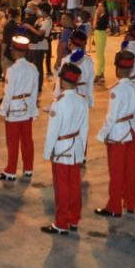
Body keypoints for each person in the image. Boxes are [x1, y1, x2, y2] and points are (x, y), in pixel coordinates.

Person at [42, 59, 89, 235]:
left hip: (61, 149)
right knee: (75, 186)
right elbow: (84, 128)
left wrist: (48, 153)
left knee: (61, 187)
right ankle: (74, 218)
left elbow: (52, 131)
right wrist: (81, 150)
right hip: (75, 148)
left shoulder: (59, 103)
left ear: (61, 80)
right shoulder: (81, 101)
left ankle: (61, 223)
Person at [95, 45, 135, 216]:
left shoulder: (117, 90)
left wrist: (102, 134)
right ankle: (130, 202)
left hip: (118, 134)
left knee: (116, 173)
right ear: (130, 68)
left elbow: (111, 116)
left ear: (116, 68)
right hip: (131, 133)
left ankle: (114, 206)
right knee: (130, 170)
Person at [0, 31, 38, 182]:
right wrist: (34, 110)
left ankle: (11, 171)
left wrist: (2, 110)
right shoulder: (33, 68)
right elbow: (34, 91)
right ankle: (28, 168)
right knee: (27, 140)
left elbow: (8, 92)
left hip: (14, 108)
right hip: (27, 107)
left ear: (14, 50)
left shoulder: (12, 70)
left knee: (12, 141)